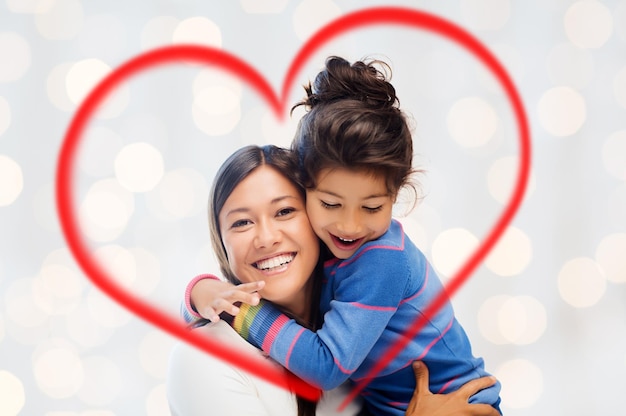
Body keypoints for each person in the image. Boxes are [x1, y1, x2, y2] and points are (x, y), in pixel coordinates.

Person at [183, 57, 501, 415]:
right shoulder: (326, 249)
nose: (349, 227)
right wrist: (202, 292)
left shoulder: (382, 260)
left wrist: (240, 312)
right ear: (306, 188)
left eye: (371, 208)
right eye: (331, 204)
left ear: (396, 197)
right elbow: (206, 312)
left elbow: (326, 367)